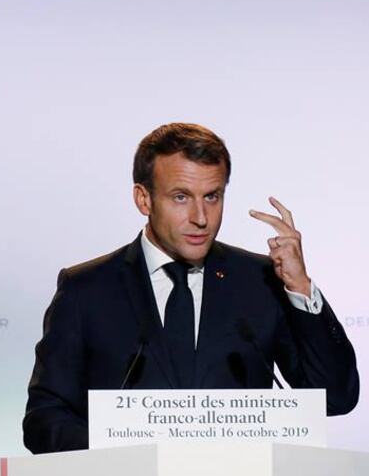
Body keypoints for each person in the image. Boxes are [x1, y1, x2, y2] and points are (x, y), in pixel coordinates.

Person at [23, 123, 359, 454]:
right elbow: (44, 420)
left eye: (212, 196)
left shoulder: (261, 281)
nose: (201, 218)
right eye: (181, 197)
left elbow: (335, 397)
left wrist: (300, 287)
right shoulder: (86, 289)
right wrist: (123, 456)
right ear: (144, 199)